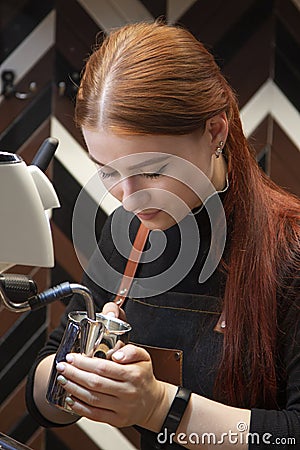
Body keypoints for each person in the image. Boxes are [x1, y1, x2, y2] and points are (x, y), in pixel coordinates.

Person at [26, 21, 300, 449]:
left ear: (215, 132)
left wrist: (158, 408)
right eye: (107, 172)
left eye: (152, 170)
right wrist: (76, 380)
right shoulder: (126, 236)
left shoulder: (292, 251)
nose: (129, 200)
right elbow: (44, 395)